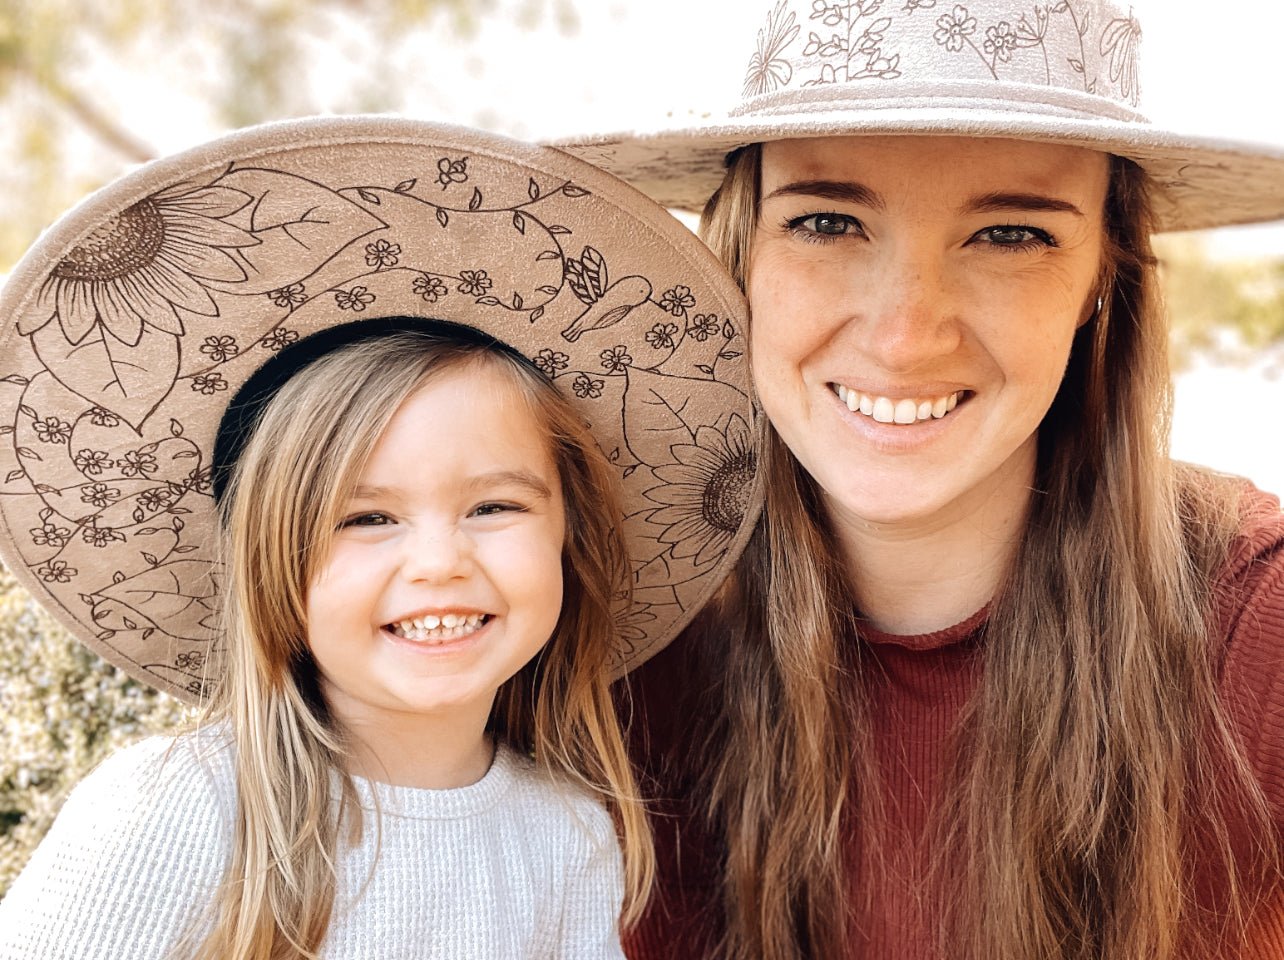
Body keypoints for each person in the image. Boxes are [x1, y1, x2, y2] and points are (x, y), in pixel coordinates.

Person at [555, 1, 1284, 957]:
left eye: (1012, 235)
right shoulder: (592, 625)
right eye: (827, 221)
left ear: (1102, 278)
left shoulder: (1252, 619)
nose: (904, 334)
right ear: (741, 252)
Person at [0, 119, 762, 958]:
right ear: (269, 565)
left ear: (569, 534)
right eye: (367, 519)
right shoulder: (180, 812)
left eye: (494, 508)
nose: (440, 563)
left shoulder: (566, 836)